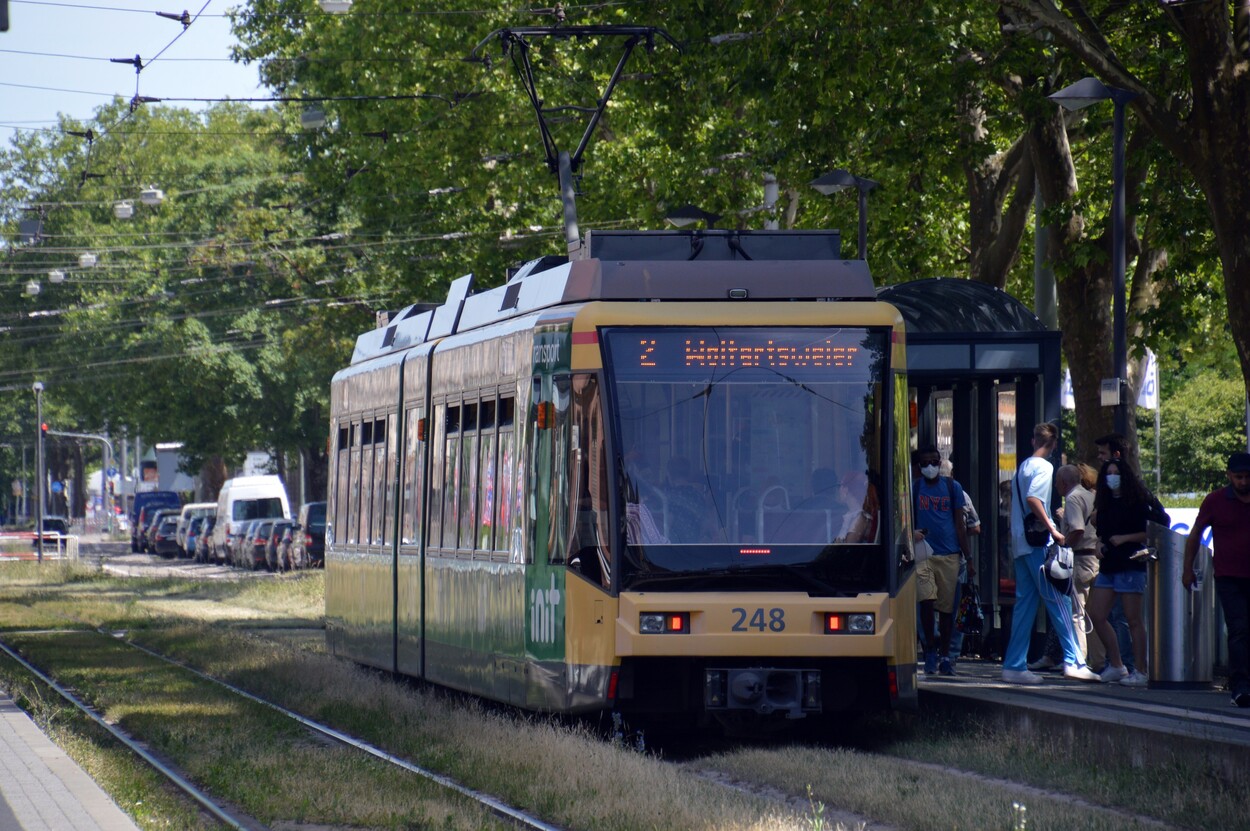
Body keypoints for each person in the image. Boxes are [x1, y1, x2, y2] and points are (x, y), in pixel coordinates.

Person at [1002, 423, 1100, 684]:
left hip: (1021, 542)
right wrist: (1053, 529)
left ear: (1033, 441)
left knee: (1025, 605)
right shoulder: (1045, 468)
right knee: (1060, 600)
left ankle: (1014, 664)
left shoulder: (1022, 467)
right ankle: (1074, 661)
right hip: (1038, 544)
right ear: (1054, 444)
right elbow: (1034, 499)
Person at [1182, 451, 1250, 707]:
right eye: (1239, 477)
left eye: (1247, 477)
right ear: (1229, 475)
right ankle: (1240, 686)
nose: (1243, 482)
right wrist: (1187, 569)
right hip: (1228, 576)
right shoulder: (1215, 500)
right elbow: (1195, 534)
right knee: (1239, 629)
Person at [1087, 458, 1152, 686]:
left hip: (1130, 563)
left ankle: (1141, 670)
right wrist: (1098, 545)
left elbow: (1150, 531)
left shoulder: (1138, 502)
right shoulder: (1104, 504)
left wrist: (1125, 538)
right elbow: (1102, 534)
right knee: (1097, 614)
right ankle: (1116, 664)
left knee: (1133, 619)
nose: (1112, 477)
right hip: (1109, 565)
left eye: (1116, 473)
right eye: (1109, 473)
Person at [1029, 464, 1100, 671]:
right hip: (1095, 558)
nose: (1055, 486)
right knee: (1095, 614)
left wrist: (1064, 544)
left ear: (1063, 482)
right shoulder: (1091, 496)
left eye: (1057, 482)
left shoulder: (1072, 498)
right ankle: (1098, 660)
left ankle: (1078, 660)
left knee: (1076, 613)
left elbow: (1077, 529)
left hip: (1080, 558)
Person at [912, 445, 972, 676]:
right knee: (926, 602)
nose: (930, 466)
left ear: (940, 462)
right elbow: (906, 519)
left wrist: (968, 556)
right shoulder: (915, 488)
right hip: (923, 554)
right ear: (919, 466)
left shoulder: (952, 487)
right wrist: (912, 533)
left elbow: (960, 524)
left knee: (947, 609)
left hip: (949, 554)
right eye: (925, 463)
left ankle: (945, 655)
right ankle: (930, 649)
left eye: (934, 462)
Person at [835, 470, 879, 543]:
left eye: (840, 486)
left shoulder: (860, 518)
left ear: (846, 490)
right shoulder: (852, 514)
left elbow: (849, 545)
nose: (839, 490)